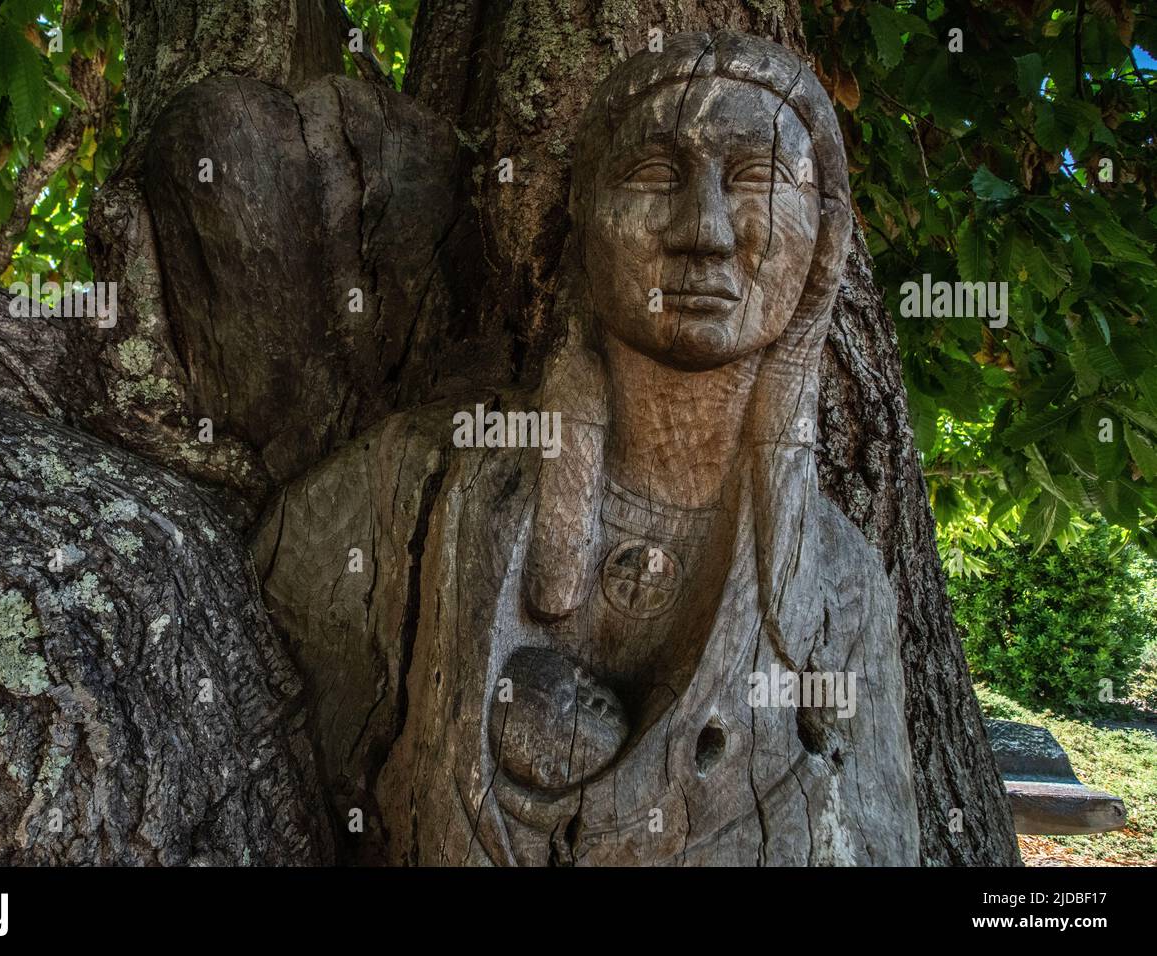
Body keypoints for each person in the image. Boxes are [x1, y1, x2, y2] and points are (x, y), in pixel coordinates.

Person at [254, 30, 920, 866]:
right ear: (583, 226)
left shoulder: (845, 597)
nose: (704, 233)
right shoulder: (407, 489)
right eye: (653, 174)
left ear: (823, 242)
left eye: (756, 177)